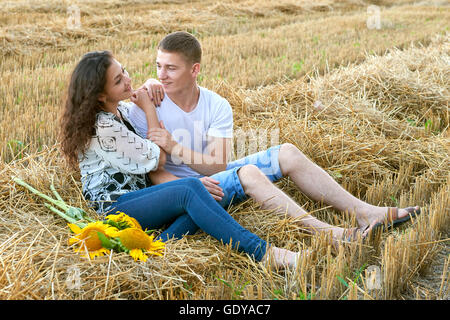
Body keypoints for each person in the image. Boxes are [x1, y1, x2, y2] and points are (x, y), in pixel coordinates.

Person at [127, 31, 421, 246]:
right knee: (250, 172)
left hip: (214, 177)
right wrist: (188, 185)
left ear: (195, 70)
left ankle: (366, 213)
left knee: (288, 152)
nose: (161, 75)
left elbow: (217, 166)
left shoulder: (216, 105)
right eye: (158, 66)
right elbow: (156, 171)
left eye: (171, 68)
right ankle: (331, 235)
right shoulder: (148, 106)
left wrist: (173, 144)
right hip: (188, 191)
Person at [58, 50, 305, 270]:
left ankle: (157, 246)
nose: (127, 79)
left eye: (124, 71)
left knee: (207, 198)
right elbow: (158, 160)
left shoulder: (119, 111)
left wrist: (151, 85)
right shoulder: (103, 127)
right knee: (192, 189)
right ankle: (265, 253)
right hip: (114, 208)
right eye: (118, 80)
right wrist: (149, 109)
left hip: (136, 199)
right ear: (100, 95)